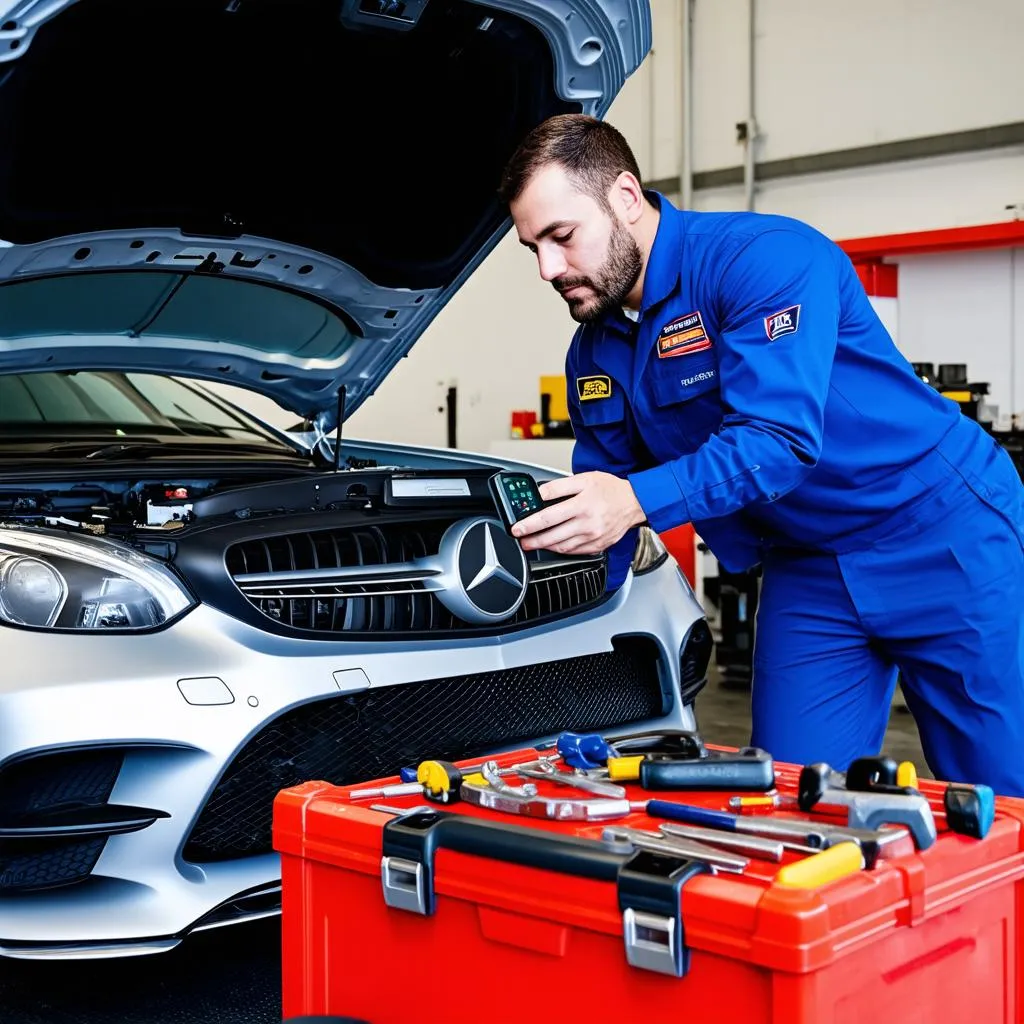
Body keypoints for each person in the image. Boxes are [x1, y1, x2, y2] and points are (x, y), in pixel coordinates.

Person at [499, 112, 1024, 795]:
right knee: (788, 796)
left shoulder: (763, 260)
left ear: (625, 198)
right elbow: (606, 516)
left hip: (942, 531)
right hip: (810, 567)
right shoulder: (595, 352)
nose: (548, 268)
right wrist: (543, 621)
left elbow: (778, 442)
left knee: (1002, 791)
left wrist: (632, 500)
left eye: (561, 237)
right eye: (531, 247)